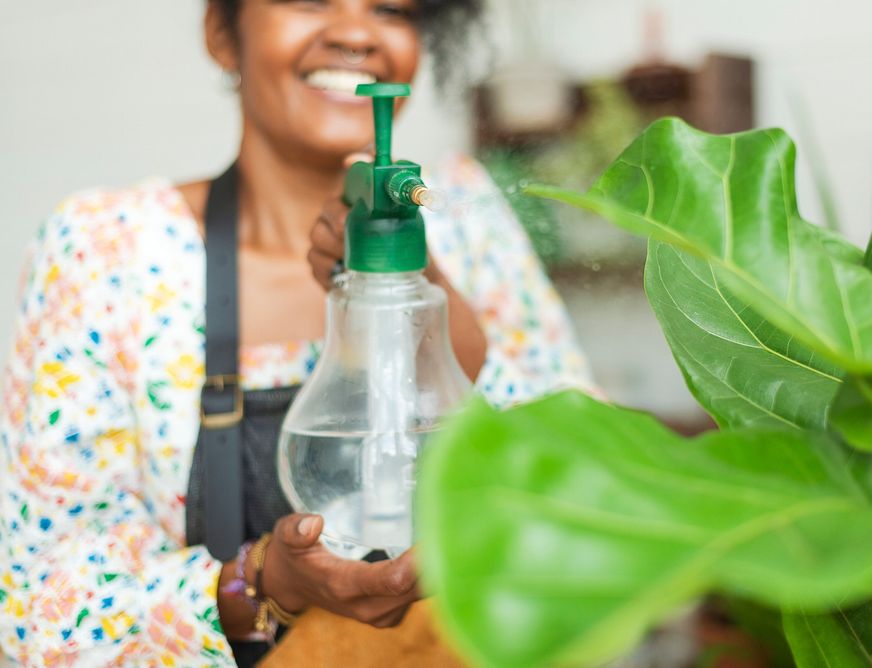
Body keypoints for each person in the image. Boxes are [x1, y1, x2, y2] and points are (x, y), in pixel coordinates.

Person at [0, 0, 592, 665]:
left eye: (392, 9)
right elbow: (45, 617)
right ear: (222, 32)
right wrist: (262, 581)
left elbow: (593, 507)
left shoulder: (471, 224)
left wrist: (432, 313)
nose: (355, 32)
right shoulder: (108, 252)